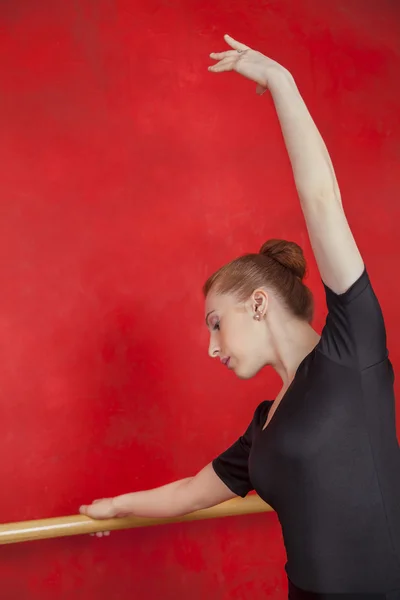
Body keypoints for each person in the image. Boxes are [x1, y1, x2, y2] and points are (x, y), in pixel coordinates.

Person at [79, 35, 400, 598]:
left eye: (214, 322)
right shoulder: (261, 430)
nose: (211, 347)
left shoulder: (351, 353)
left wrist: (281, 82)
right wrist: (112, 507)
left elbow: (320, 198)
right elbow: (188, 494)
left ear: (257, 303)